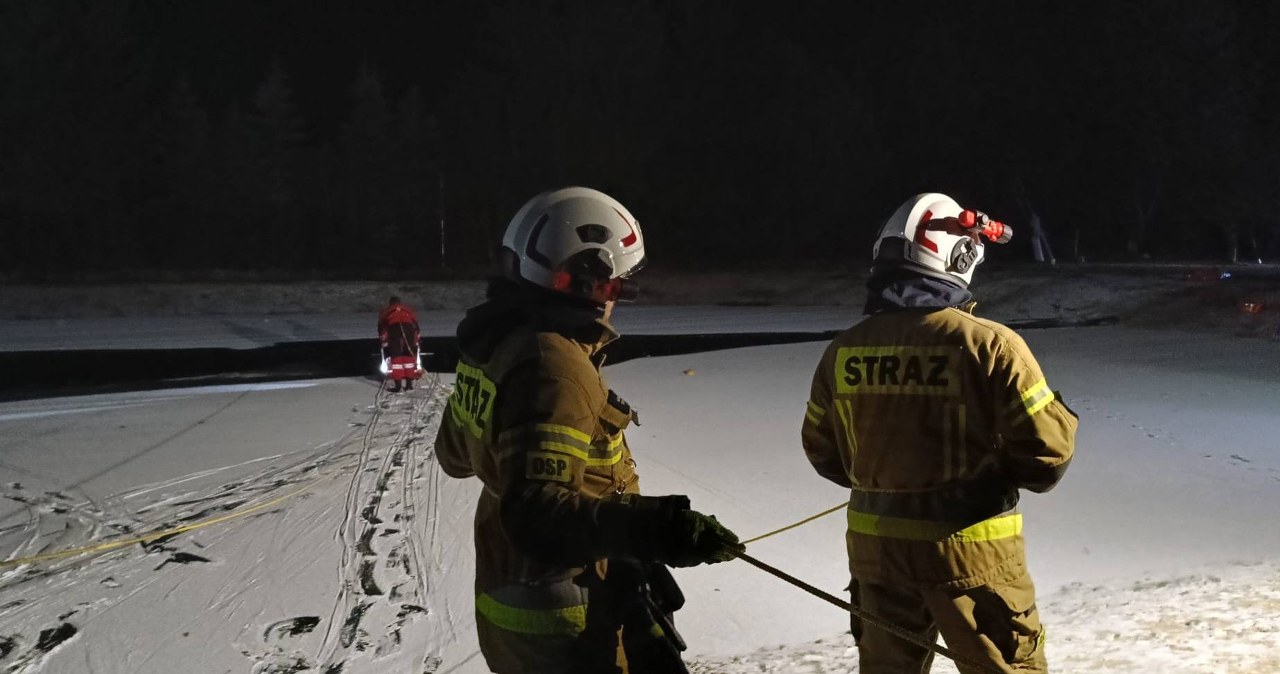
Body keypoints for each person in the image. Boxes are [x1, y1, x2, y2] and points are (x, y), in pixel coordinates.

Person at [434, 186, 743, 673]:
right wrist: (655, 530)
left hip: (512, 600)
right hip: (562, 619)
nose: (616, 299)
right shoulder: (552, 366)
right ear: (588, 282)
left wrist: (620, 549)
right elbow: (536, 514)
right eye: (615, 285)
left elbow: (454, 457)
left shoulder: (499, 348)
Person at [800, 193, 1078, 674]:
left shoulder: (842, 351)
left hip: (877, 561)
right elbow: (1047, 456)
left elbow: (823, 454)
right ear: (959, 257)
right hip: (975, 558)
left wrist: (889, 471)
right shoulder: (991, 345)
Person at [378, 295, 421, 392]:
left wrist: (383, 339)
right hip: (409, 330)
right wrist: (416, 338)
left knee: (396, 357)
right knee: (408, 356)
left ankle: (398, 386)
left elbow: (381, 326)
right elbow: (416, 324)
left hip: (394, 329)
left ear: (390, 303)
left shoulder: (386, 311)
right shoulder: (407, 309)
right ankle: (409, 385)